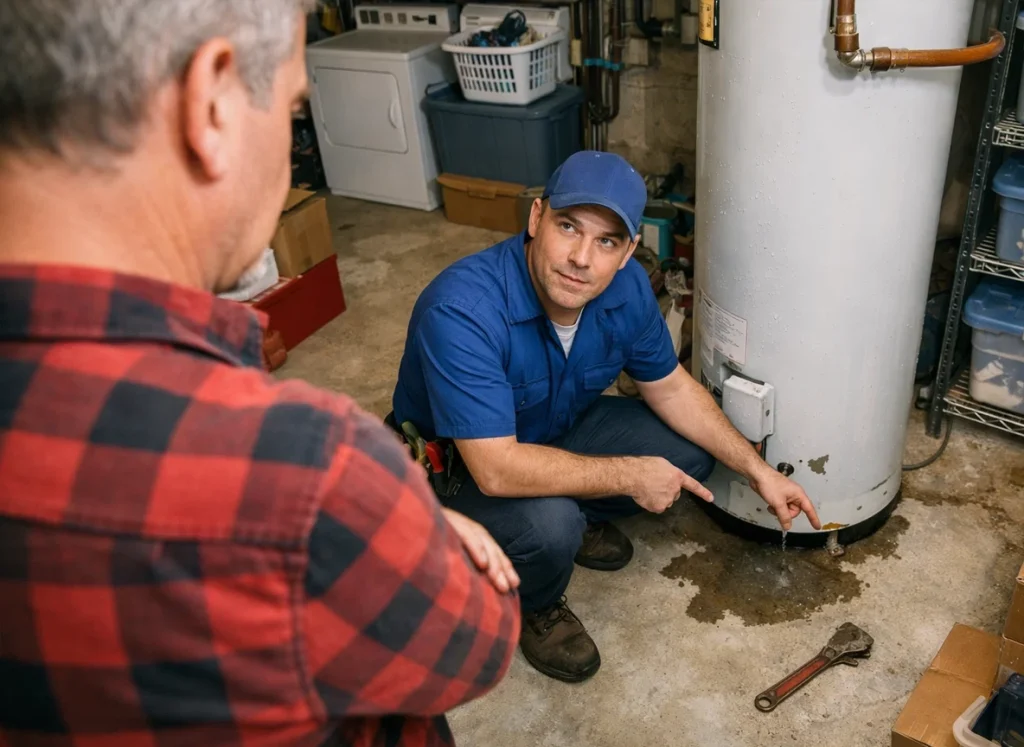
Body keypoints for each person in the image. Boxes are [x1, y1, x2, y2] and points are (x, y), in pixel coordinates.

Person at [0, 2, 520, 745]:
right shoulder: (305, 475)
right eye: (292, 108)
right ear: (210, 104)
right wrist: (417, 518)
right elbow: (475, 644)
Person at [391, 150, 822, 683]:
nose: (581, 258)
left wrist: (757, 470)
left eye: (607, 241)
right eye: (568, 227)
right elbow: (496, 469)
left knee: (687, 454)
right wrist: (626, 475)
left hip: (552, 424)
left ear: (628, 252)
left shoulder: (627, 290)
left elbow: (671, 389)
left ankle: (579, 512)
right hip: (458, 468)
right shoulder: (462, 310)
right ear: (535, 219)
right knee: (551, 526)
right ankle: (536, 605)